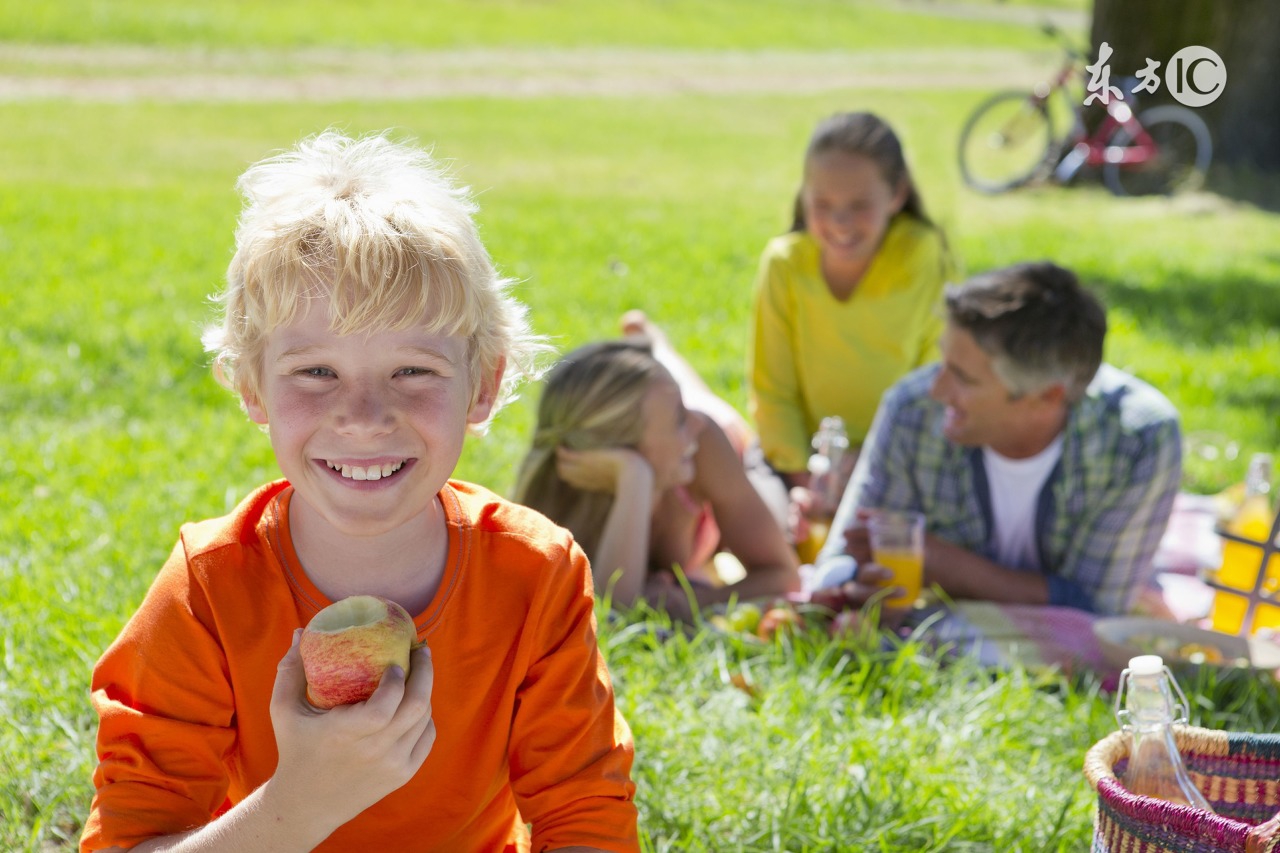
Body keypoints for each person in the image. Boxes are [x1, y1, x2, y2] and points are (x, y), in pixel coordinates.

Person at [81, 131, 638, 853]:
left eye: (412, 370)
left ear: (486, 382)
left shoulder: (535, 574)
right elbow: (129, 840)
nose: (365, 416)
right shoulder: (209, 588)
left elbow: (586, 820)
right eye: (316, 372)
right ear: (252, 387)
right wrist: (303, 801)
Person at [813, 261, 1182, 617]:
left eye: (963, 377)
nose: (938, 389)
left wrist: (942, 564)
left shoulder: (1139, 439)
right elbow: (842, 558)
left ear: (1046, 397)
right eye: (942, 361)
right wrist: (852, 582)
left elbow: (1096, 607)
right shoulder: (912, 409)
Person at [512, 337, 802, 621]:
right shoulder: (555, 506)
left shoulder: (704, 439)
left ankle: (649, 336)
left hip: (730, 444)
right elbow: (614, 611)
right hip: (671, 443)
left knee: (781, 517)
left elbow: (784, 576)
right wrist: (635, 478)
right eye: (678, 418)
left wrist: (695, 602)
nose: (694, 422)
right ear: (623, 446)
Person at [749, 111, 952, 495]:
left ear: (897, 195)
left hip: (899, 460)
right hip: (795, 466)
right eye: (822, 204)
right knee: (764, 530)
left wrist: (870, 464)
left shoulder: (923, 255)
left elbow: (937, 380)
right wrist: (806, 482)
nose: (840, 222)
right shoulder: (784, 264)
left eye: (859, 205)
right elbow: (772, 390)